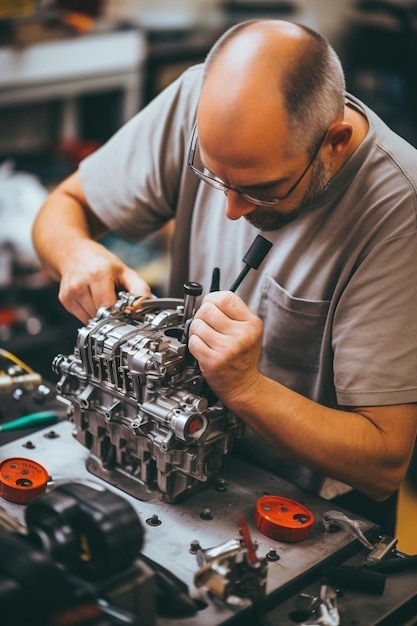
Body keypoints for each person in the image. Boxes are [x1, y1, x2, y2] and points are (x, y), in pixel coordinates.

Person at [32, 19, 417, 535]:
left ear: (335, 142)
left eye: (263, 190)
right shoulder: (199, 97)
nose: (232, 209)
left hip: (292, 506)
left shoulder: (399, 213)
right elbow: (63, 205)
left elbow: (383, 462)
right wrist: (76, 253)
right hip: (162, 461)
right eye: (214, 176)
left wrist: (246, 387)